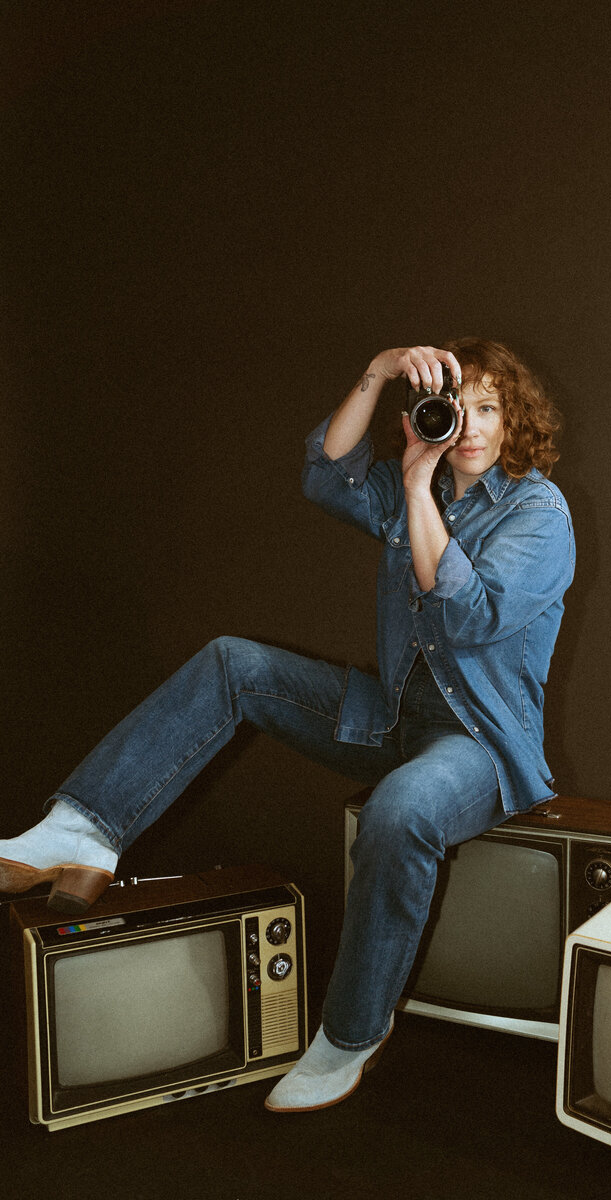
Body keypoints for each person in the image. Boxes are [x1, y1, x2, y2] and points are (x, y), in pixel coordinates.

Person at [0, 339, 574, 1112]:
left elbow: (469, 616)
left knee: (400, 808)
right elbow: (325, 472)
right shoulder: (435, 485)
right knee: (232, 662)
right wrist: (380, 368)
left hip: (478, 743)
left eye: (489, 407)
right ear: (426, 418)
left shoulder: (540, 511)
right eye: (454, 407)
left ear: (516, 420)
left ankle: (351, 1033)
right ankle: (83, 829)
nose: (468, 426)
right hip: (394, 714)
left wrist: (412, 486)